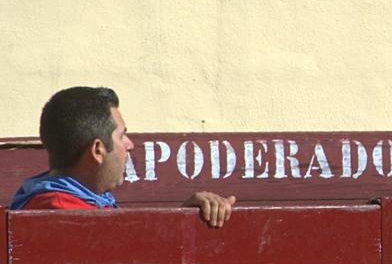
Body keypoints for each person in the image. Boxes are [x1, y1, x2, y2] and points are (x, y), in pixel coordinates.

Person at [8, 86, 236, 228]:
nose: (129, 144)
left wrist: (183, 220)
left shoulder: (76, 203)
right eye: (122, 135)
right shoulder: (64, 216)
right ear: (97, 150)